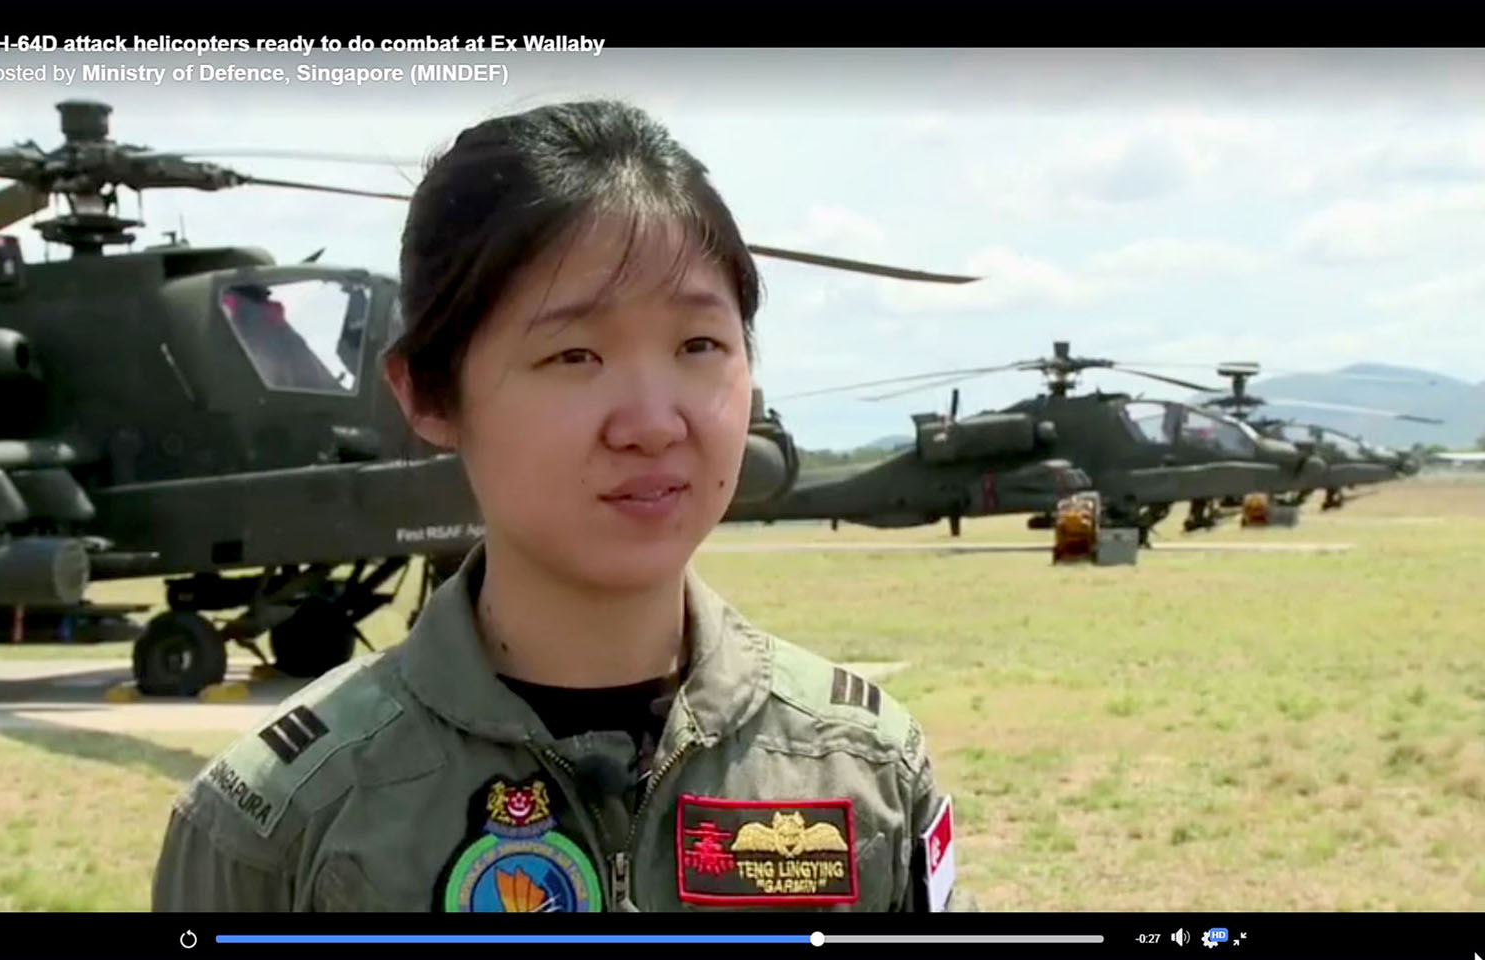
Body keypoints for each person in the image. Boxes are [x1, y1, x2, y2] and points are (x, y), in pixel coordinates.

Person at [151, 100, 959, 912]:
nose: (654, 423)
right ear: (427, 392)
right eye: (574, 354)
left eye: (699, 345)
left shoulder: (864, 771)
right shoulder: (279, 825)